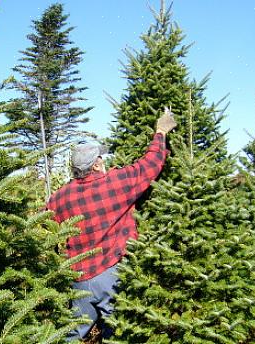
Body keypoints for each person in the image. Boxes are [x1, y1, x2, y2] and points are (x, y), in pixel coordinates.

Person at [46, 108, 177, 342]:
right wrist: (160, 132)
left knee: (73, 333)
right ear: (96, 165)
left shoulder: (58, 198)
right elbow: (150, 165)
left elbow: (46, 232)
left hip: (78, 280)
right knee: (117, 331)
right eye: (101, 159)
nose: (104, 162)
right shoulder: (114, 184)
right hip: (110, 272)